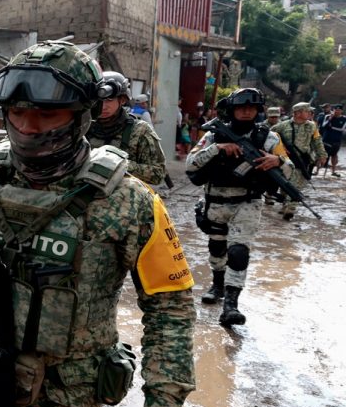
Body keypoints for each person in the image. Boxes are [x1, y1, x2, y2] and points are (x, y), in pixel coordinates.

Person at [0, 41, 195, 407]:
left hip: (63, 401)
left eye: (47, 115)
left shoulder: (130, 201)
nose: (28, 127)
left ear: (84, 114)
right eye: (17, 112)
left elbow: (171, 312)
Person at [186, 88, 292, 327]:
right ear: (232, 109)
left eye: (252, 108)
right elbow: (190, 165)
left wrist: (278, 161)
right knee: (217, 246)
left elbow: (289, 169)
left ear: (258, 111)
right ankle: (217, 284)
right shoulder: (214, 136)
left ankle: (231, 305)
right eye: (241, 107)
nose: (246, 111)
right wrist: (218, 149)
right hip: (216, 201)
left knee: (238, 252)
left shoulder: (269, 138)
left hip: (248, 202)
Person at [86, 70, 167, 184]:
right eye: (99, 101)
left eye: (109, 100)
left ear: (122, 100)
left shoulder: (140, 131)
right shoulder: (83, 126)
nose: (103, 106)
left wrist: (117, 164)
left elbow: (157, 174)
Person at [271, 103, 327, 220]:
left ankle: (290, 209)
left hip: (303, 160)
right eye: (307, 111)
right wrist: (279, 147)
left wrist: (322, 155)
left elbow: (317, 141)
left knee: (297, 184)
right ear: (297, 113)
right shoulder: (282, 126)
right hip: (285, 160)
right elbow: (269, 135)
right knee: (285, 183)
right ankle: (285, 203)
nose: (310, 113)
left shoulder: (312, 126)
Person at [321, 105, 346, 177]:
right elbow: (324, 126)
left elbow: (341, 129)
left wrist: (331, 127)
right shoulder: (328, 116)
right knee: (322, 154)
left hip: (336, 140)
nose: (337, 111)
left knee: (334, 155)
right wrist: (330, 119)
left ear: (341, 111)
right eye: (335, 110)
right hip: (326, 139)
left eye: (338, 110)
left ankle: (333, 171)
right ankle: (317, 170)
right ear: (333, 110)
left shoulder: (344, 119)